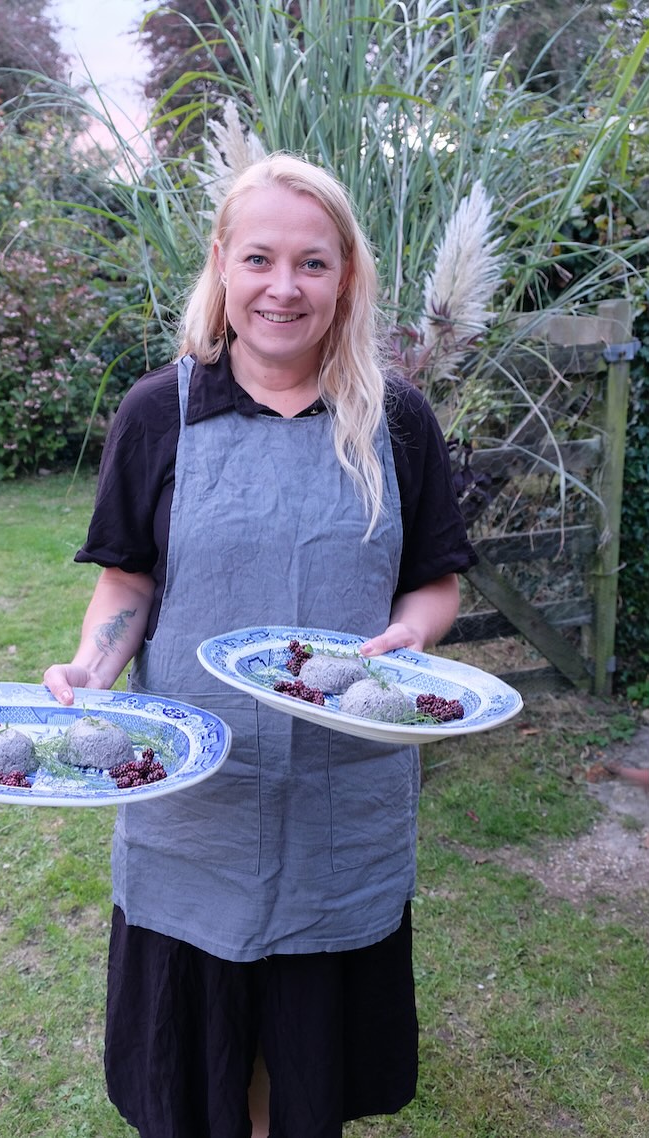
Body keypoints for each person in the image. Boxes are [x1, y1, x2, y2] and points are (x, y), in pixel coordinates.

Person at [43, 152, 478, 1138]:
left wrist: (408, 637)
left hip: (342, 798)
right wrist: (91, 670)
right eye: (259, 259)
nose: (283, 287)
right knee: (202, 1063)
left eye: (312, 263)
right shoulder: (161, 411)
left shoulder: (395, 418)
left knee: (308, 1057)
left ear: (345, 277)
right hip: (194, 802)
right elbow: (128, 579)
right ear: (222, 269)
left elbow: (434, 577)